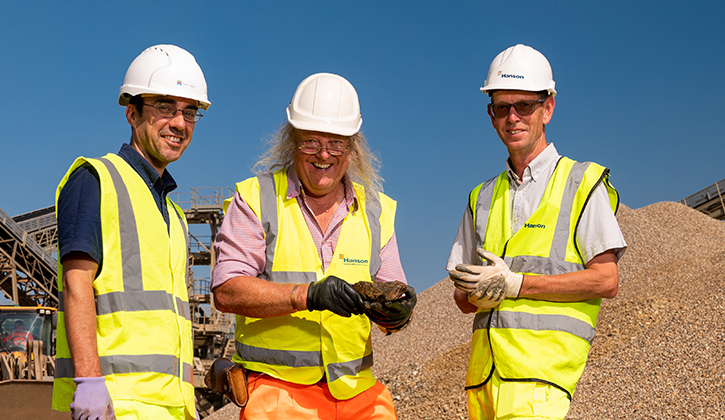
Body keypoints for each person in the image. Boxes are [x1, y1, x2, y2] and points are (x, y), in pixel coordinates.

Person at [211, 73, 416, 420]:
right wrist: (307, 295)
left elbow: (392, 297)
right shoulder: (257, 199)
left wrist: (397, 315)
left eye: (336, 143)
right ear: (292, 141)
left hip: (358, 394)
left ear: (352, 148)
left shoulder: (376, 210)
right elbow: (227, 291)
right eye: (310, 142)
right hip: (277, 394)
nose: (324, 154)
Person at [446, 44, 627, 420]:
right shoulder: (481, 198)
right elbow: (462, 300)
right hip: (483, 387)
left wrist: (516, 285)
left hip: (541, 386)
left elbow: (606, 280)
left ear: (548, 108)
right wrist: (478, 291)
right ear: (491, 115)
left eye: (524, 105)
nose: (512, 118)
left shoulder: (580, 182)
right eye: (502, 108)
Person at [51, 44, 209, 420]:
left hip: (171, 408)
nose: (180, 123)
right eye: (165, 108)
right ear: (132, 113)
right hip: (117, 404)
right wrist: (89, 382)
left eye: (189, 112)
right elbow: (76, 285)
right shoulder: (95, 179)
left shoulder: (174, 216)